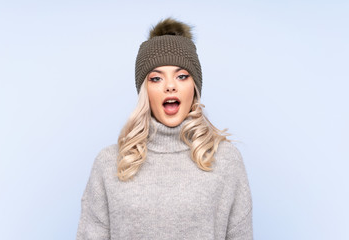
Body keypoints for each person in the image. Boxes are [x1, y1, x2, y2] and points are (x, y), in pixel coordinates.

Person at [76, 18, 253, 240]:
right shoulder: (109, 163)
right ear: (145, 90)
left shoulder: (226, 160)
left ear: (194, 86)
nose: (170, 85)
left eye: (181, 76)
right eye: (156, 78)